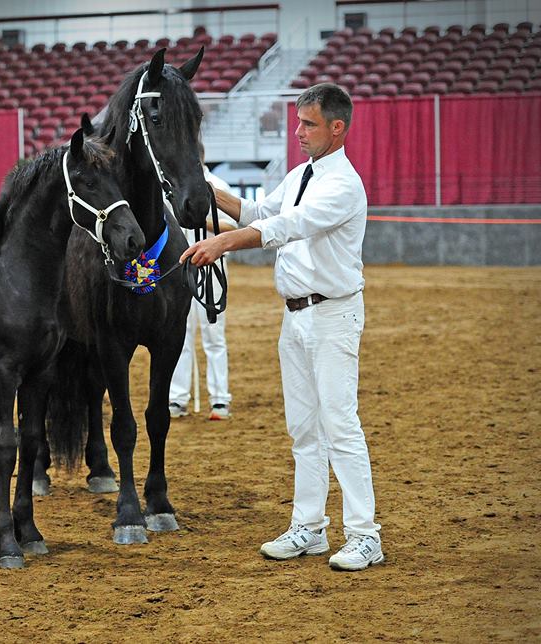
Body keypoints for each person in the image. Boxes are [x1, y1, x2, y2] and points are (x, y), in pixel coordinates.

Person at [180, 83, 383, 572]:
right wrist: (205, 191)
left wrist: (224, 244)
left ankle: (364, 534)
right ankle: (309, 528)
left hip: (332, 315)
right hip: (295, 316)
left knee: (340, 426)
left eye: (308, 124)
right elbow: (258, 213)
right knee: (304, 429)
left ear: (338, 128)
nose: (298, 132)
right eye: (298, 122)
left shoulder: (343, 185)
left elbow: (284, 228)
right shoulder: (300, 176)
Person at [169, 145, 237, 421]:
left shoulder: (218, 187)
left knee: (213, 334)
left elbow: (235, 228)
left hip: (212, 268)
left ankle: (220, 399)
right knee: (180, 336)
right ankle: (177, 397)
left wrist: (202, 221)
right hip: (179, 269)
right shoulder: (172, 190)